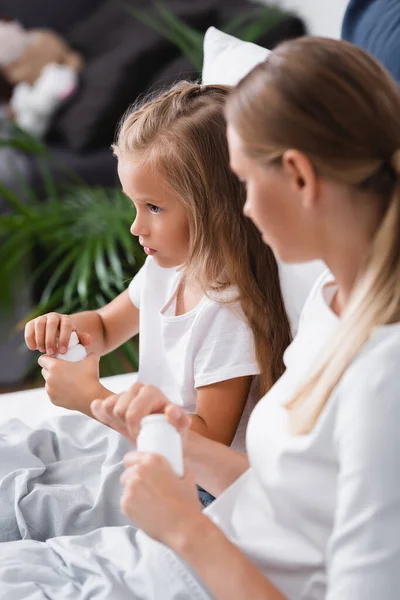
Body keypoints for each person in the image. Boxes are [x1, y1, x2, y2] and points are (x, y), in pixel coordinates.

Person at [1, 35, 399, 599]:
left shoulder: (383, 381)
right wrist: (161, 430)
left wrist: (183, 529)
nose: (243, 209)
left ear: (299, 177)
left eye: (245, 184)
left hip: (209, 559)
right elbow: (284, 498)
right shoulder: (332, 301)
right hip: (213, 530)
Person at [0, 81, 292, 544]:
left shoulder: (228, 314)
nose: (137, 226)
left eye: (154, 207)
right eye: (135, 206)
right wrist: (67, 329)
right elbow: (103, 325)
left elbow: (205, 441)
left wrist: (91, 399)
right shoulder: (166, 270)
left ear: (215, 209)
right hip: (144, 444)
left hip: (192, 485)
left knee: (30, 511)